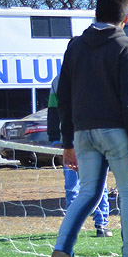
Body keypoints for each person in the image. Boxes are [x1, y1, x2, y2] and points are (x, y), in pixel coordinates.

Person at [46, 0, 128, 257]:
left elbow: (64, 96)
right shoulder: (127, 47)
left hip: (83, 133)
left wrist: (67, 141)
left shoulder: (75, 45)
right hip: (118, 133)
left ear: (96, 12)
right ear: (126, 17)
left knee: (87, 193)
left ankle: (61, 254)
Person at [46, 75, 112, 237]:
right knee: (72, 186)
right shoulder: (58, 81)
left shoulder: (97, 76)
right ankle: (73, 224)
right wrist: (54, 138)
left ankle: (101, 224)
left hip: (94, 141)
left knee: (99, 183)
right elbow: (53, 111)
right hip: (70, 143)